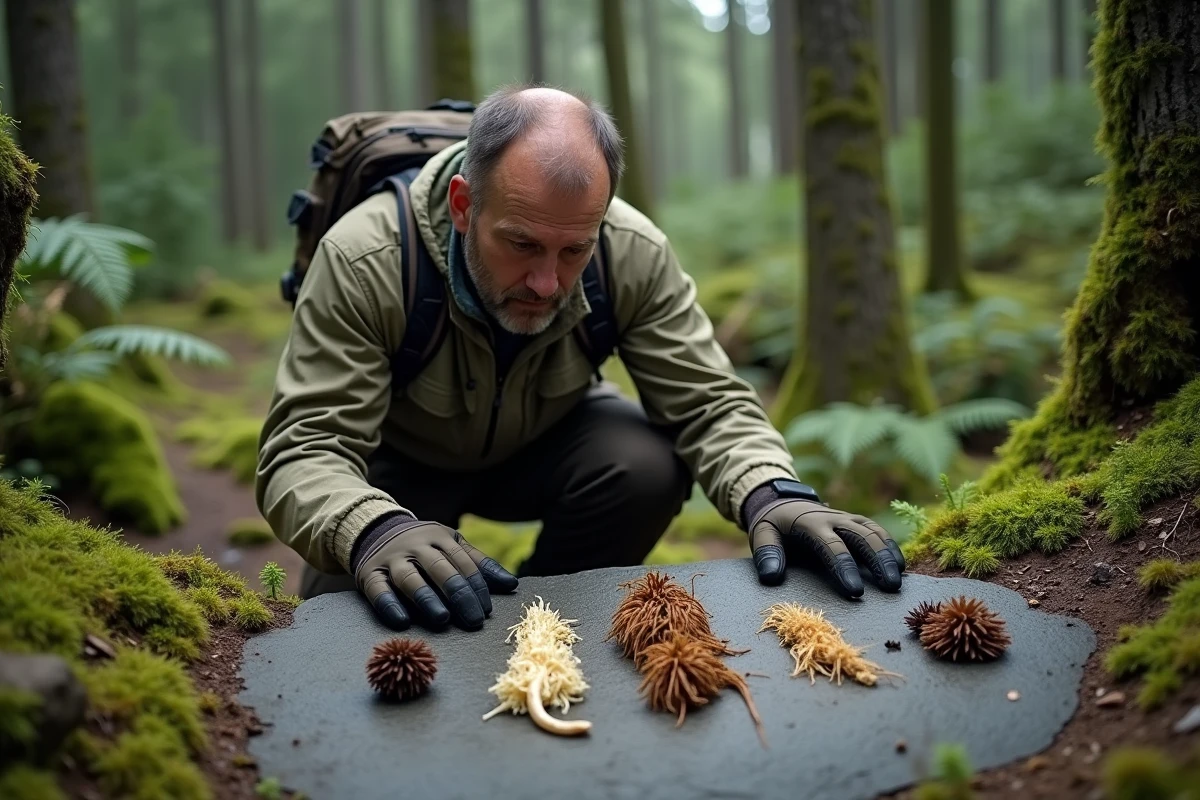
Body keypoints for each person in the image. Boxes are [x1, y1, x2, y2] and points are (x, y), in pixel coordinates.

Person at [254, 85, 905, 634]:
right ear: (462, 205)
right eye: (521, 244)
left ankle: (542, 624)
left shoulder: (629, 250)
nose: (547, 281)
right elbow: (303, 449)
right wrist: (371, 530)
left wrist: (773, 492)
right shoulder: (366, 257)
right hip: (395, 471)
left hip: (542, 444)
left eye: (574, 251)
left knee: (644, 466)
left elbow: (709, 402)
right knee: (363, 598)